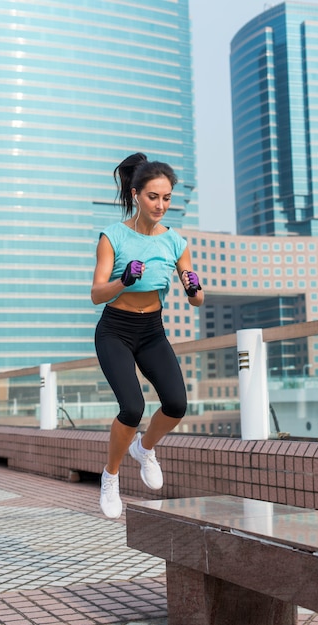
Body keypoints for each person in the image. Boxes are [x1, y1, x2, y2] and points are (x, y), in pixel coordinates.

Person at [91, 152, 204, 519]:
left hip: (152, 331)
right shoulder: (114, 236)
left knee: (176, 404)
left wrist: (193, 287)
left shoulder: (175, 242)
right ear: (137, 194)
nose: (160, 205)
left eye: (167, 198)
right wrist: (124, 280)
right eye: (153, 197)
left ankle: (145, 448)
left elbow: (199, 299)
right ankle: (110, 477)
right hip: (115, 331)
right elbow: (96, 294)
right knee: (132, 407)